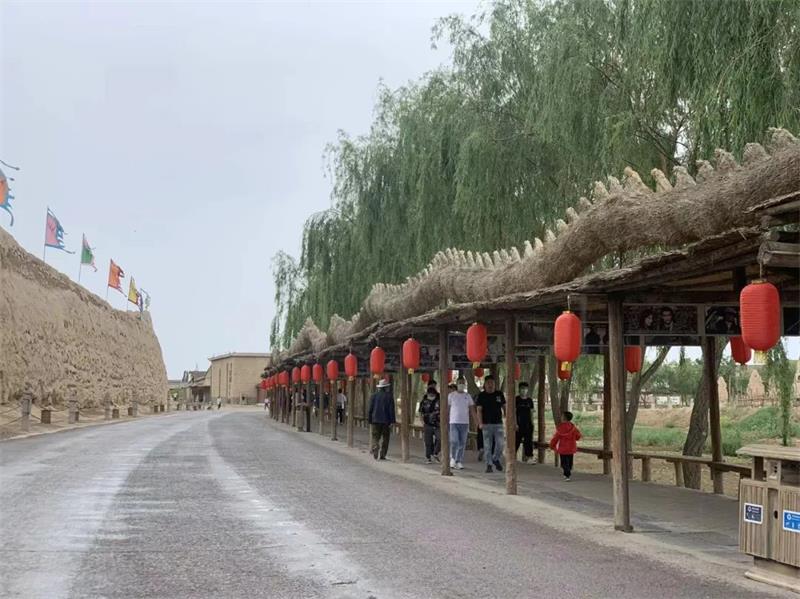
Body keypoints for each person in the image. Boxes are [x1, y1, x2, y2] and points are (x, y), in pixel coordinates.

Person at [475, 375, 506, 473]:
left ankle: (495, 458)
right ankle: (489, 464)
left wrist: (506, 417)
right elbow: (479, 410)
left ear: (495, 384)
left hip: (498, 424)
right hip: (486, 424)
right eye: (488, 383)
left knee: (500, 444)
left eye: (492, 383)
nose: (490, 385)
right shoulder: (481, 396)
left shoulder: (499, 394)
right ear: (485, 384)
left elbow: (504, 407)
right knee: (487, 445)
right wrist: (480, 423)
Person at [448, 376, 476, 470]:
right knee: (454, 441)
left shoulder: (468, 396)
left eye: (463, 383)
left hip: (464, 422)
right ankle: (452, 458)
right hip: (453, 422)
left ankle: (458, 461)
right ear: (457, 384)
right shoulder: (451, 395)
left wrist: (476, 421)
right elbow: (447, 409)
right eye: (460, 383)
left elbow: (472, 410)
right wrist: (445, 420)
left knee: (462, 442)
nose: (461, 384)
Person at [367, 378, 396, 460]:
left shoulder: (373, 396)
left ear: (379, 388)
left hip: (375, 420)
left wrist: (369, 419)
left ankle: (375, 445)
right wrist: (392, 421)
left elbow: (370, 409)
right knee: (386, 438)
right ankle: (383, 454)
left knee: (375, 436)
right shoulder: (389, 396)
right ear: (386, 387)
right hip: (386, 421)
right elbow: (391, 410)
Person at [549, 411, 582, 481]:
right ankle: (568, 471)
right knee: (569, 462)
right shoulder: (573, 427)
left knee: (564, 463)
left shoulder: (560, 428)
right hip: (571, 448)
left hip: (563, 449)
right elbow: (578, 436)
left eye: (562, 416)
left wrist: (551, 445)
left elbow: (555, 438)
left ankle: (567, 475)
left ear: (563, 418)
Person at [418, 380, 441, 463]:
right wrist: (422, 421)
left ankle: (435, 452)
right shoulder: (424, 400)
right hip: (427, 423)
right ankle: (428, 457)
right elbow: (420, 412)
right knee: (428, 441)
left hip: (438, 424)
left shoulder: (439, 398)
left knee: (440, 438)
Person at [515, 382, 535, 463]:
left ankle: (529, 457)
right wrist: (515, 423)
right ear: (519, 389)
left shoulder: (529, 400)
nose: (524, 390)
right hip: (518, 424)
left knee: (528, 441)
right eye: (522, 388)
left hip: (528, 424)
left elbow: (531, 412)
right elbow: (514, 412)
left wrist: (532, 423)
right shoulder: (516, 399)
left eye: (525, 389)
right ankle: (512, 456)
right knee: (516, 441)